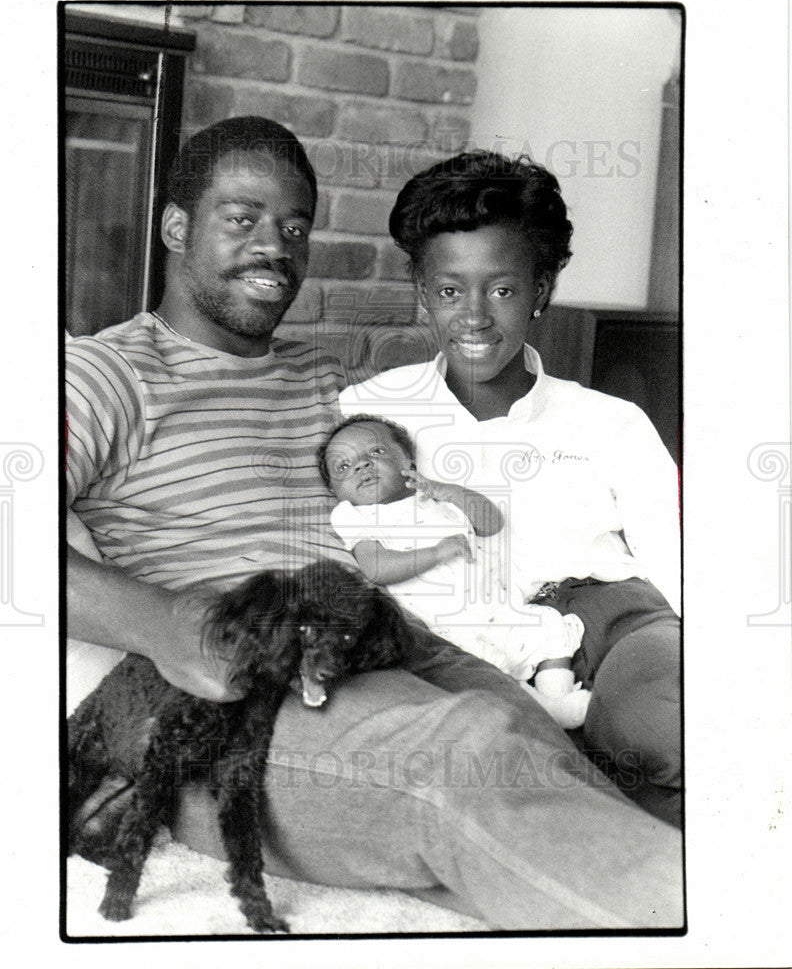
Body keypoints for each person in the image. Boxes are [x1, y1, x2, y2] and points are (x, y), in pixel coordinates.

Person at [67, 116, 683, 931]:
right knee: (467, 760)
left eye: (294, 227)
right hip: (242, 677)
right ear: (175, 227)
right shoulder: (104, 371)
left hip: (384, 638)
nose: (275, 246)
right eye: (243, 217)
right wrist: (171, 623)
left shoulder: (324, 380)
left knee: (541, 755)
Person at [339, 149, 682, 829]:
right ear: (421, 290)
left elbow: (676, 565)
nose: (474, 316)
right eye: (449, 290)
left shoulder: (609, 422)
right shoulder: (369, 414)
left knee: (657, 729)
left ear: (542, 288)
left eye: (501, 289)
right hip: (459, 630)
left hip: (613, 620)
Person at [318, 414, 591, 728]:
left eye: (375, 453)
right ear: (335, 492)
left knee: (548, 628)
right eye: (343, 466)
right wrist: (436, 552)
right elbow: (377, 567)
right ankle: (546, 712)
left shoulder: (437, 497)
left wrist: (446, 491)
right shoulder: (357, 516)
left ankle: (556, 692)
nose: (361, 466)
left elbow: (492, 523)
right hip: (447, 625)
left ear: (407, 460)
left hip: (498, 608)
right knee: (481, 671)